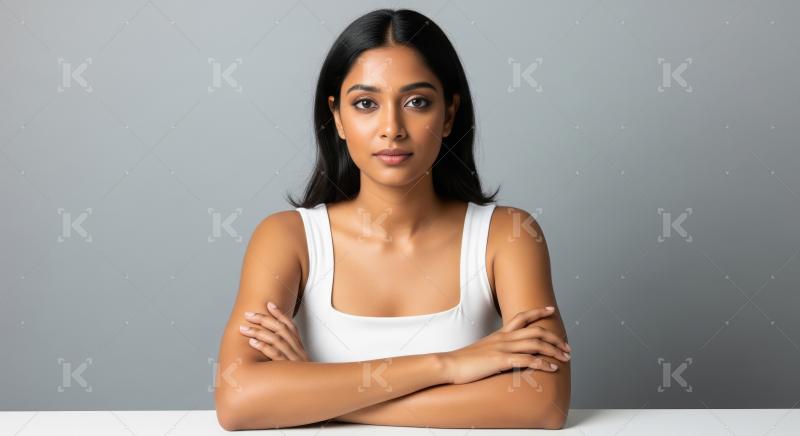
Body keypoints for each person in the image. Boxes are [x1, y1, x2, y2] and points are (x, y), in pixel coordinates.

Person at [214, 8, 571, 430]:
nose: (392, 128)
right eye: (366, 103)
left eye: (417, 102)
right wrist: (448, 364)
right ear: (337, 118)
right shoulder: (287, 238)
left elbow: (543, 403)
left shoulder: (508, 235)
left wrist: (314, 395)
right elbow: (237, 401)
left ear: (449, 115)